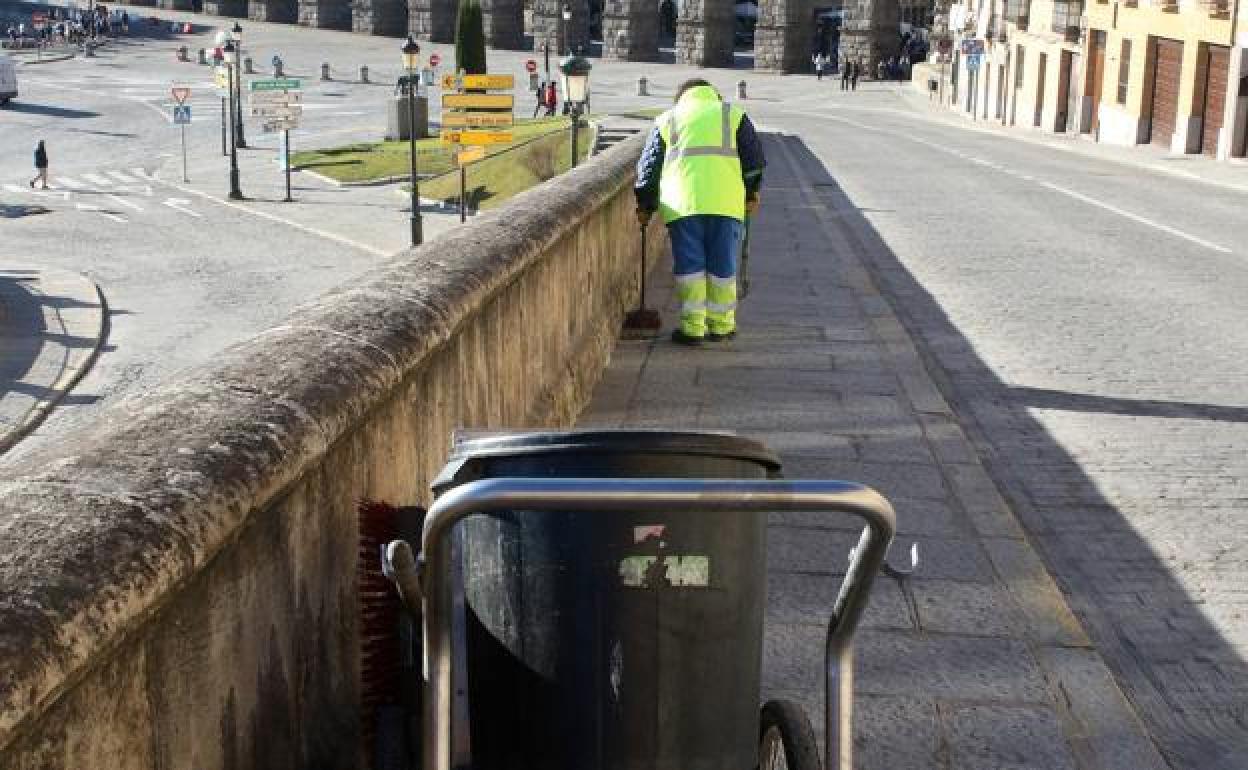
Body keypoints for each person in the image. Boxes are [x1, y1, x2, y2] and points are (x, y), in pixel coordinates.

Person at [634, 79, 765, 346]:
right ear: (713, 96)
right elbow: (754, 163)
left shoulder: (666, 120)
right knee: (723, 266)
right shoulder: (732, 115)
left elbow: (648, 173)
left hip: (683, 205)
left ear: (681, 98)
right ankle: (722, 326)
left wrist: (645, 206)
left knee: (690, 267)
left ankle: (692, 328)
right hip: (726, 204)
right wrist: (751, 193)